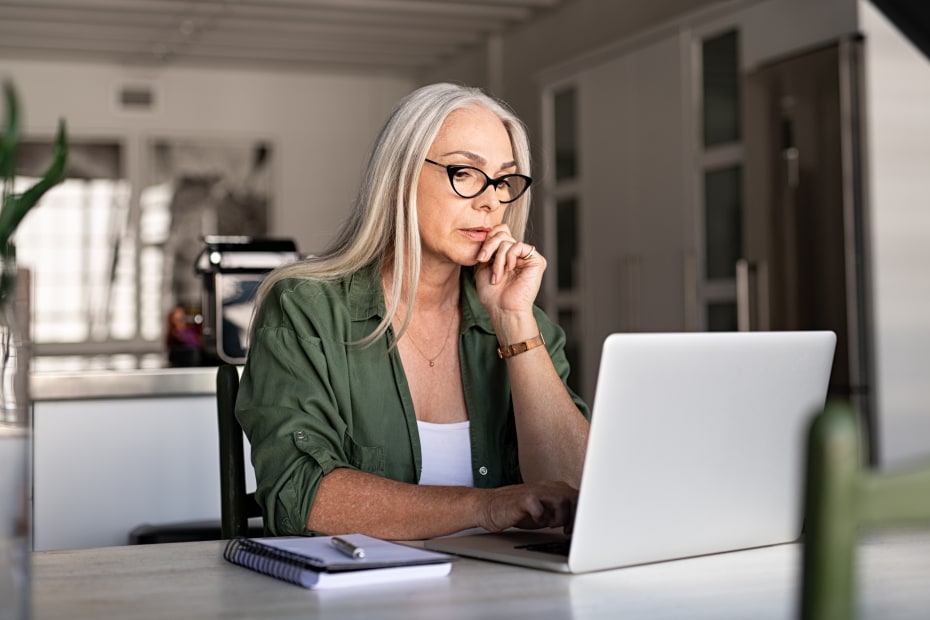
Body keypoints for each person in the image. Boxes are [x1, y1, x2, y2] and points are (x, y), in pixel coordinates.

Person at [236, 82, 590, 541]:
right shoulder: (306, 309)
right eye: (465, 172)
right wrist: (486, 506)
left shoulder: (524, 324)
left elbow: (581, 494)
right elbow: (300, 496)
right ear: (400, 175)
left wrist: (513, 323)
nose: (492, 201)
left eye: (503, 180)